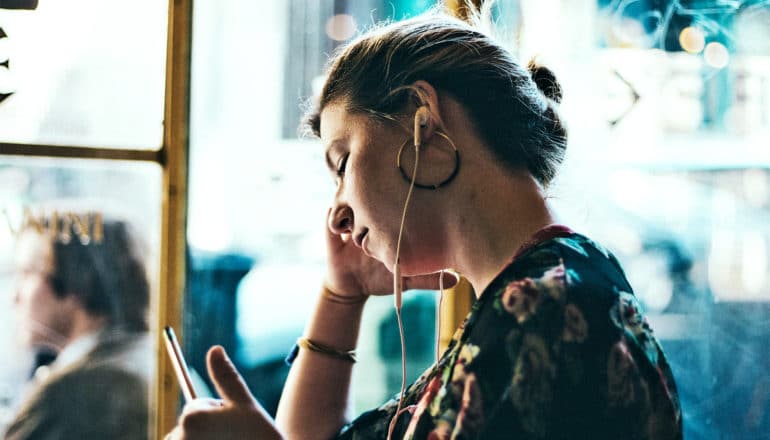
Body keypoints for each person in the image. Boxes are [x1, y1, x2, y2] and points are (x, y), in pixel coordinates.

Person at [166, 7, 682, 440]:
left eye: (342, 162)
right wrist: (341, 293)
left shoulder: (538, 316)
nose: (336, 213)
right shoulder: (552, 289)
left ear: (421, 118)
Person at [4, 209, 152, 440]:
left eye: (28, 273)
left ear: (75, 282)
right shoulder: (152, 359)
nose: (15, 296)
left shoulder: (78, 389)